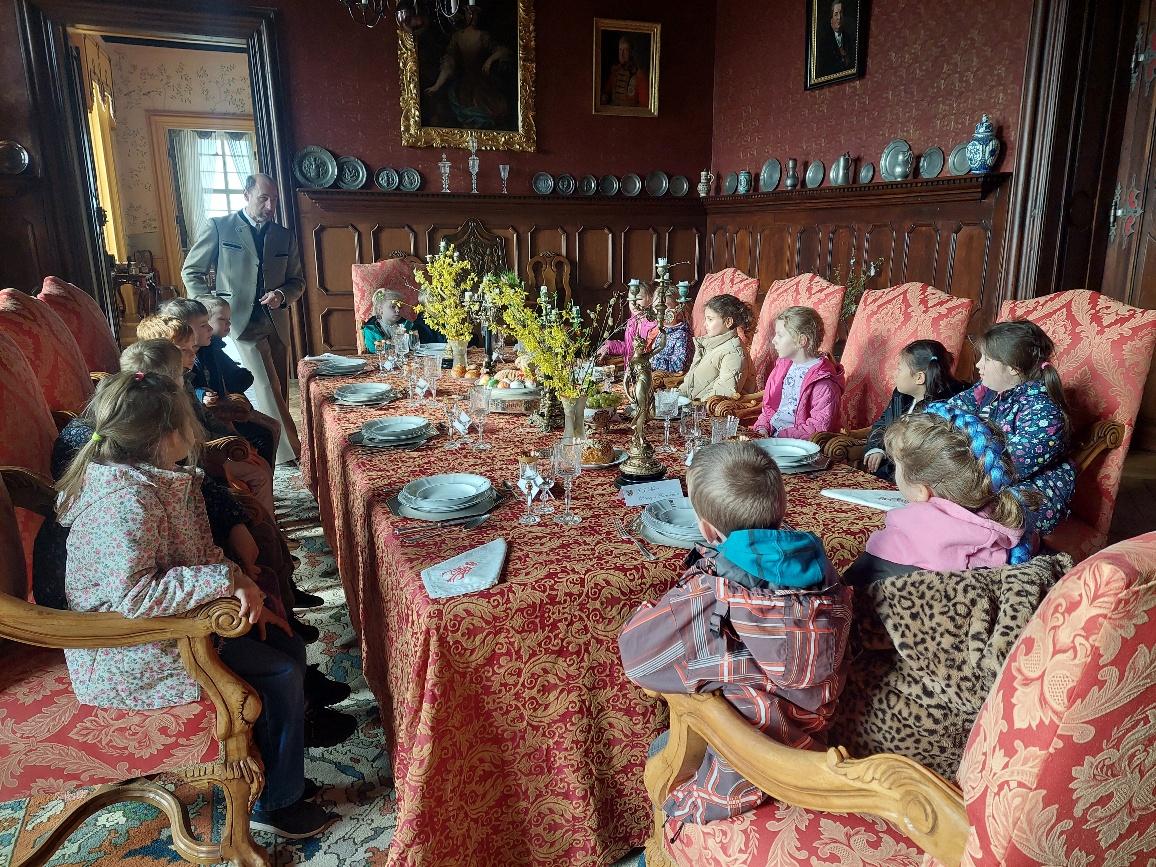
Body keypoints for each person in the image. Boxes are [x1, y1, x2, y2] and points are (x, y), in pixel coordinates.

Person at [55, 371, 339, 839]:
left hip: (177, 623)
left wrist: (241, 584)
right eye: (189, 421)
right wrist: (225, 580)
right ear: (163, 435)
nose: (196, 430)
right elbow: (134, 595)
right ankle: (276, 803)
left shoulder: (163, 479)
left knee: (286, 643)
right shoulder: (125, 500)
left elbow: (199, 551)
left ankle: (277, 769)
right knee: (281, 673)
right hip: (131, 652)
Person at [619, 441, 852, 824]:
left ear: (706, 529)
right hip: (813, 742)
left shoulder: (716, 593)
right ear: (782, 508)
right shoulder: (823, 569)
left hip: (739, 772)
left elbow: (638, 659)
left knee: (661, 747)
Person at [181, 172, 302, 465]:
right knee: (266, 384)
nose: (270, 206)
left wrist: (281, 295)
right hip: (238, 320)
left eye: (274, 200)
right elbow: (191, 271)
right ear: (246, 195)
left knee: (277, 387)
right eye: (264, 198)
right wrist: (210, 307)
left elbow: (297, 281)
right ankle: (293, 452)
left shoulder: (284, 235)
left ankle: (275, 445)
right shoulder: (219, 227)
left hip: (276, 321)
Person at [844, 409, 1036, 586]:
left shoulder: (889, 548)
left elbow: (846, 597)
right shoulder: (1007, 526)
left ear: (921, 491)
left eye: (897, 466)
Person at [937, 320, 1076, 541]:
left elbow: (1006, 465)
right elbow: (945, 413)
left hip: (1030, 495)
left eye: (987, 359)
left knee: (948, 510)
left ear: (1013, 367)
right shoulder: (987, 391)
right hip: (983, 476)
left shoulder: (1044, 411)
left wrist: (953, 463)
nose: (978, 365)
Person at [159, 297, 278, 468]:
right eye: (203, 325)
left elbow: (236, 378)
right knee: (263, 436)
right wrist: (203, 395)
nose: (209, 328)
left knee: (272, 428)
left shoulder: (210, 349)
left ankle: (260, 477)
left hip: (222, 410)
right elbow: (188, 391)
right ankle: (254, 475)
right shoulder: (180, 359)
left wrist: (240, 378)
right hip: (207, 421)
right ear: (182, 329)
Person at [862, 339, 967, 481]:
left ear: (919, 378)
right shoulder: (901, 395)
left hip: (917, 480)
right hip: (890, 473)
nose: (894, 374)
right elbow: (883, 423)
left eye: (899, 369)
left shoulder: (943, 409)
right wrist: (877, 448)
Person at [752, 306, 845, 438]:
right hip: (772, 437)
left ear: (801, 341)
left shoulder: (824, 382)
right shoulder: (782, 367)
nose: (774, 340)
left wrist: (779, 437)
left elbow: (818, 428)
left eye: (780, 335)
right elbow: (769, 409)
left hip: (798, 445)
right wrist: (762, 428)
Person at [678, 294, 752, 400]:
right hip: (692, 404)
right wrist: (676, 396)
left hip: (708, 408)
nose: (705, 324)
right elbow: (691, 381)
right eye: (706, 319)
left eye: (710, 319)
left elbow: (723, 394)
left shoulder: (733, 353)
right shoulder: (708, 344)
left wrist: (691, 404)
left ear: (728, 322)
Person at [597, 280, 656, 361]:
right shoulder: (632, 321)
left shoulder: (654, 325)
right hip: (630, 366)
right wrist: (609, 347)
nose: (633, 303)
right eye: (630, 299)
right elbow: (629, 348)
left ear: (651, 299)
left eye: (638, 298)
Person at [648, 289, 692, 374]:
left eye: (664, 307)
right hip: (655, 375)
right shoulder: (661, 330)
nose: (659, 313)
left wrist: (651, 360)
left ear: (677, 308)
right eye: (656, 307)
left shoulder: (681, 335)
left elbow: (678, 366)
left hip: (669, 380)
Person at [601, 33, 649, 108]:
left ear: (632, 53)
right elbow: (606, 92)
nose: (622, 54)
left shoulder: (640, 76)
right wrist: (604, 98)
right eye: (620, 50)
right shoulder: (615, 72)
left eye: (625, 50)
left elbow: (644, 106)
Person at [363, 288, 415, 353]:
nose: (398, 310)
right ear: (380, 310)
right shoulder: (371, 329)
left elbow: (413, 346)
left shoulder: (407, 326)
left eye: (400, 307)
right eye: (393, 307)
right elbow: (373, 351)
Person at [814, 0, 856, 79]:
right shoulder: (824, 41)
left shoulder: (849, 38)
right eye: (836, 14)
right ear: (831, 18)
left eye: (841, 13)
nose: (839, 17)